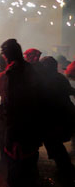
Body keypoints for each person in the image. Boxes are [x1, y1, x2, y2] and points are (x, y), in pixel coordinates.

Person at [0, 39, 44, 187]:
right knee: (30, 162)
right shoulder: (30, 68)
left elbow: (10, 103)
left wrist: (12, 130)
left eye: (4, 54)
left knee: (16, 164)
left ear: (8, 55)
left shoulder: (11, 73)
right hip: (33, 122)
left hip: (17, 125)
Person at [39, 56, 75, 185]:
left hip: (57, 118)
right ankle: (64, 169)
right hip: (64, 115)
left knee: (53, 143)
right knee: (54, 143)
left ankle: (66, 171)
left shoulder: (47, 80)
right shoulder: (60, 78)